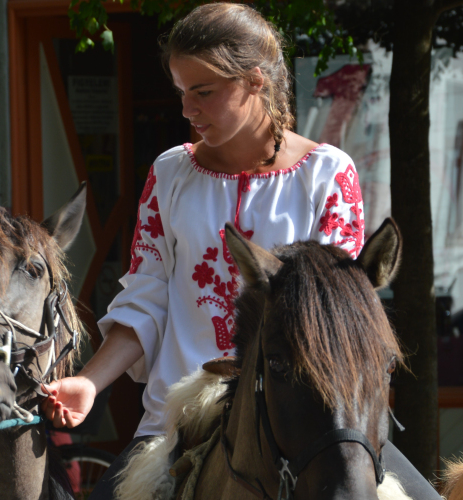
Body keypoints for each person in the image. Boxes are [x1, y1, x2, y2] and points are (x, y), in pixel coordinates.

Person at [42, 4, 440, 499]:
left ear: (256, 81)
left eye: (203, 92)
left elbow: (338, 321)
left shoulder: (327, 173)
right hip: (175, 424)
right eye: (182, 92)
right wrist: (89, 383)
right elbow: (145, 301)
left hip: (304, 428)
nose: (187, 110)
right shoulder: (169, 174)